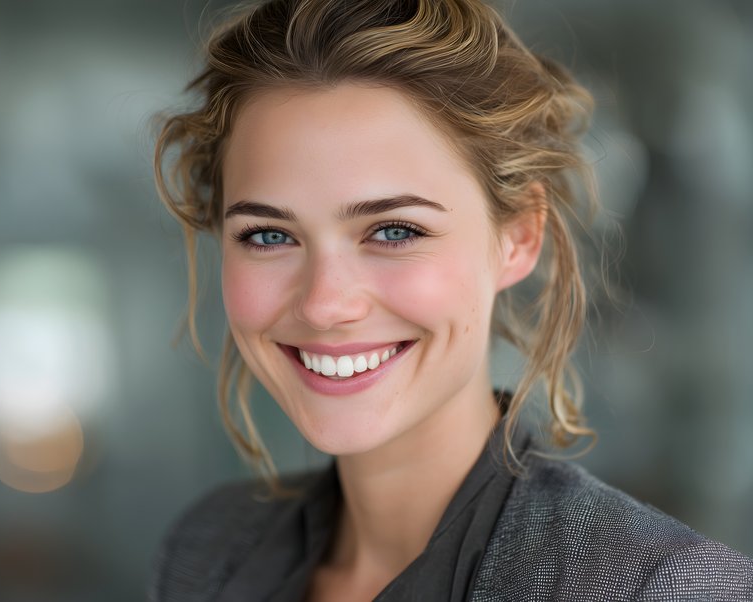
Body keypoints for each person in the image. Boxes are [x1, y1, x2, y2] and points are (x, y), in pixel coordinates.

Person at [149, 0, 753, 600]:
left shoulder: (658, 586)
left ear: (519, 236)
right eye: (269, 236)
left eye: (394, 231)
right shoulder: (205, 550)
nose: (324, 304)